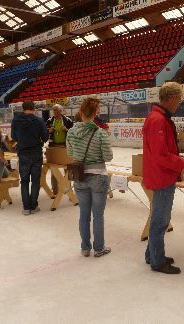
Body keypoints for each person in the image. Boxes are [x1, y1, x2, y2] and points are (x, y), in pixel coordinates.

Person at [143, 82, 184, 275]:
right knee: (160, 221)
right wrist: (182, 163)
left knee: (158, 218)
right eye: (178, 99)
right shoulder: (158, 120)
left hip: (161, 174)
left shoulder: (159, 117)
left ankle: (152, 255)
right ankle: (157, 261)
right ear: (171, 98)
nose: (179, 103)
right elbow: (160, 155)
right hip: (161, 176)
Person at [66, 97, 113, 258]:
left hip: (80, 177)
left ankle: (85, 248)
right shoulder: (100, 133)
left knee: (83, 214)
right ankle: (99, 248)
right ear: (95, 113)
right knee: (98, 215)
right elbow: (108, 156)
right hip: (98, 177)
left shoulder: (71, 132)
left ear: (80, 112)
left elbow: (70, 153)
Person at [11, 101, 48, 215]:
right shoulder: (39, 121)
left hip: (22, 153)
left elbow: (13, 137)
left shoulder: (15, 120)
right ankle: (34, 205)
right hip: (36, 152)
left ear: (23, 108)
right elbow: (45, 137)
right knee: (35, 180)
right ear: (33, 109)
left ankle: (26, 208)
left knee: (24, 180)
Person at [46, 104, 73, 195]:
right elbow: (44, 132)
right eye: (53, 110)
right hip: (53, 146)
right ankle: (55, 189)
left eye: (56, 110)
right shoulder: (49, 120)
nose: (54, 112)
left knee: (68, 168)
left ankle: (68, 189)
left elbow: (73, 134)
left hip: (65, 146)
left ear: (61, 111)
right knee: (54, 169)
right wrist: (49, 131)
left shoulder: (68, 120)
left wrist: (66, 130)